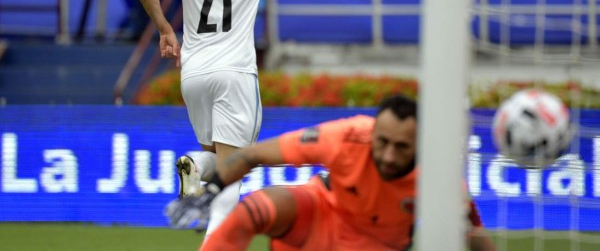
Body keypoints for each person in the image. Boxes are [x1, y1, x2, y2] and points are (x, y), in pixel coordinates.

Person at [136, 0, 331, 240]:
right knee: (234, 169)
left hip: (193, 74)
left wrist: (165, 31)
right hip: (235, 73)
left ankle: (195, 164)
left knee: (215, 158)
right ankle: (215, 244)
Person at [166, 95, 497, 251]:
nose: (388, 155)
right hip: (320, 218)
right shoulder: (347, 136)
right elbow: (253, 154)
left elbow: (474, 236)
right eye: (381, 142)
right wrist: (212, 190)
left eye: (401, 147)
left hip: (375, 245)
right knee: (256, 207)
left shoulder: (441, 178)